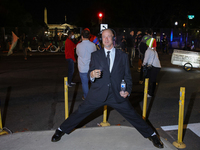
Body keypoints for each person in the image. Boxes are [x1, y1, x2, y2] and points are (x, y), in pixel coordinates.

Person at [51, 29, 163, 149]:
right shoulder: (95, 55)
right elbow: (90, 71)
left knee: (133, 115)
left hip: (117, 94)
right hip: (98, 93)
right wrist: (92, 75)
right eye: (104, 37)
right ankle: (61, 130)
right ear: (101, 39)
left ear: (113, 38)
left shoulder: (123, 56)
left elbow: (127, 77)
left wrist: (127, 91)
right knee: (80, 112)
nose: (106, 39)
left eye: (109, 36)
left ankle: (152, 135)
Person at [76, 29, 97, 100]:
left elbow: (77, 53)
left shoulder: (78, 45)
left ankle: (86, 97)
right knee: (93, 83)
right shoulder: (93, 45)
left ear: (82, 36)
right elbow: (95, 54)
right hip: (91, 67)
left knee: (84, 83)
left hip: (82, 68)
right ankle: (94, 95)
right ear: (89, 36)